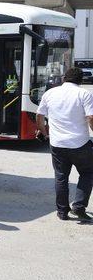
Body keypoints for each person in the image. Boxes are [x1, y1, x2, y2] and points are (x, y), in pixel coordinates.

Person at [37, 67, 93, 221]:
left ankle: (62, 212)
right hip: (80, 143)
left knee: (61, 177)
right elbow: (90, 118)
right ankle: (79, 207)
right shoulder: (84, 94)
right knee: (88, 173)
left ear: (64, 79)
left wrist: (44, 132)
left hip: (57, 144)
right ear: (81, 80)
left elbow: (39, 115)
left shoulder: (50, 93)